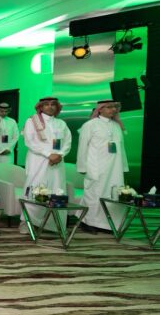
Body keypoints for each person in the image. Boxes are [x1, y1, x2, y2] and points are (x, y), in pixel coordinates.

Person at [76, 99, 129, 233]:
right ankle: (87, 222)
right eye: (109, 107)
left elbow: (121, 148)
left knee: (113, 194)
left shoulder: (116, 126)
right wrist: (82, 167)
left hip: (115, 168)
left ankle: (107, 224)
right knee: (94, 194)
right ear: (100, 109)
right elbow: (82, 147)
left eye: (114, 107)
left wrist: (123, 167)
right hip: (96, 167)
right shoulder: (90, 125)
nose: (113, 110)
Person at [21, 97, 72, 233]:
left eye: (53, 104)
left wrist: (60, 154)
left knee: (56, 189)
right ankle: (29, 222)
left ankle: (53, 224)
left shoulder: (61, 123)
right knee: (35, 188)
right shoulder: (32, 121)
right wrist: (49, 154)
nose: (50, 107)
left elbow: (68, 141)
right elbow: (29, 141)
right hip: (38, 161)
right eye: (46, 105)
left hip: (57, 162)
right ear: (41, 107)